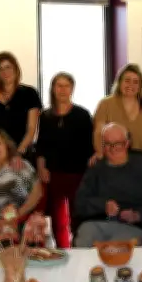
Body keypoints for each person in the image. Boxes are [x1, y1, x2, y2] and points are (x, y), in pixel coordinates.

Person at [74, 123, 142, 247]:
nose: (113, 149)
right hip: (97, 221)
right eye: (108, 144)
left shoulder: (141, 165)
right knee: (83, 242)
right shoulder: (96, 168)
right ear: (103, 146)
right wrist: (103, 206)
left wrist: (138, 215)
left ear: (127, 143)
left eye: (118, 144)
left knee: (115, 249)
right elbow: (79, 203)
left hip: (132, 225)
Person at [35, 73, 94, 248]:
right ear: (53, 89)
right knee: (58, 220)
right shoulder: (45, 117)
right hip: (54, 174)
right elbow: (41, 146)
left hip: (78, 174)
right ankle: (63, 251)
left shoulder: (82, 115)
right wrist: (41, 167)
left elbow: (90, 146)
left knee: (78, 216)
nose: (62, 89)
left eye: (66, 85)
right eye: (58, 85)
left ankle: (78, 250)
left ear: (72, 89)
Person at [93, 64, 142, 171]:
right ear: (119, 82)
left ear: (140, 85)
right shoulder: (105, 104)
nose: (131, 85)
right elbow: (98, 132)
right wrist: (99, 154)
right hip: (113, 164)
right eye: (127, 80)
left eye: (135, 82)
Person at [0, 52, 42, 165]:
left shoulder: (29, 94)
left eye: (8, 67)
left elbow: (31, 129)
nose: (5, 72)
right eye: (0, 69)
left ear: (16, 69)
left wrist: (18, 153)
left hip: (22, 156)